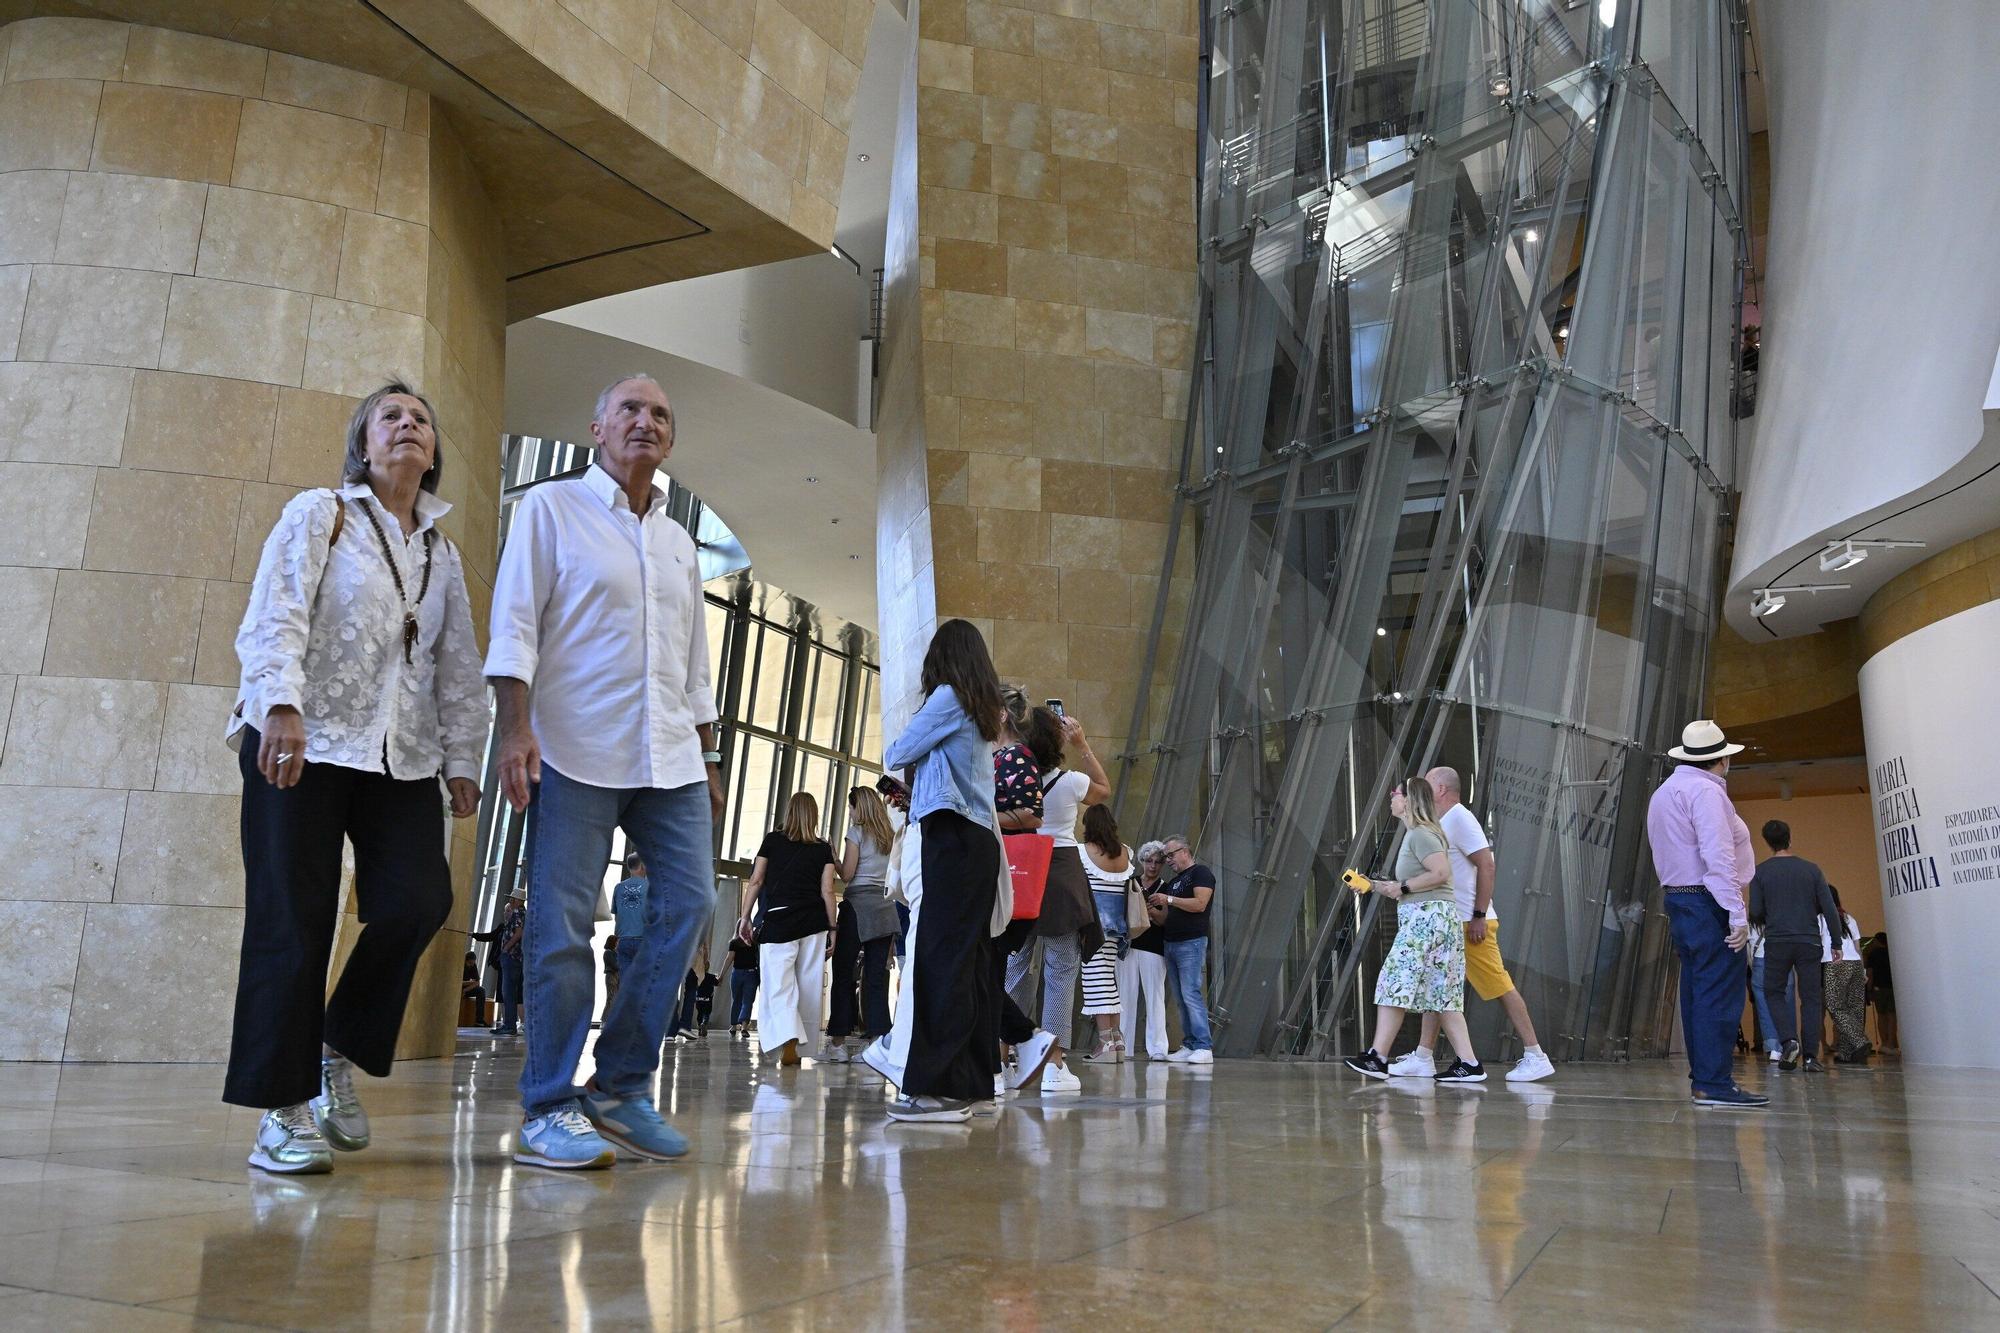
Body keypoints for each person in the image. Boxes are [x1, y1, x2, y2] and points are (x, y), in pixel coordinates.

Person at [222, 381, 484, 1176]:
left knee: (418, 900)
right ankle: (282, 1107)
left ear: (433, 450)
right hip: (301, 736)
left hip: (398, 755)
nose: (408, 428)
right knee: (293, 918)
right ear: (364, 445)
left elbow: (458, 669)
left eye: (421, 420)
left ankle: (337, 1047)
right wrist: (280, 703)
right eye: (390, 418)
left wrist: (464, 759)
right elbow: (278, 609)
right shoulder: (319, 514)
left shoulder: (442, 553)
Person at [486, 373, 725, 1168]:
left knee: (689, 901)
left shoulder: (679, 540)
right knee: (560, 927)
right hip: (574, 747)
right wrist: (515, 727)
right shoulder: (551, 510)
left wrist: (710, 751)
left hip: (671, 754)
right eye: (629, 408)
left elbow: (695, 663)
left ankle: (619, 1085)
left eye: (660, 413)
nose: (645, 421)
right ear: (596, 427)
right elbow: (516, 622)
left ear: (671, 437)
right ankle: (550, 1104)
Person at [874, 618, 1007, 1123]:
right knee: (968, 961)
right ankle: (970, 1083)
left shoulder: (948, 697)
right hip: (975, 842)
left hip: (950, 837)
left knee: (936, 959)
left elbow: (897, 750)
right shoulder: (981, 707)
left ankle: (935, 1089)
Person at [1389, 767, 1553, 1083]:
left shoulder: (1460, 819)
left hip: (1469, 922)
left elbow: (1486, 864)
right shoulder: (1441, 821)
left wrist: (1478, 915)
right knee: (1438, 989)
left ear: (1439, 788)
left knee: (1498, 985)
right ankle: (1424, 1056)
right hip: (1455, 920)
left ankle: (1535, 1055)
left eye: (1427, 780)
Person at [1647, 720, 1766, 1108]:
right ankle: (1713, 1083)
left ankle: (1705, 1080)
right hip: (1708, 900)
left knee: (1697, 992)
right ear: (1724, 759)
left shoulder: (1666, 791)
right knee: (1719, 993)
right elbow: (1718, 856)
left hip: (1680, 900)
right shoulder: (1706, 791)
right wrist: (1735, 912)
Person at [1341, 779, 1486, 1083]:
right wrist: (1371, 885)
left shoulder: (1421, 834)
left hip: (1427, 920)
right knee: (1441, 993)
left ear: (1408, 800)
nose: (1390, 799)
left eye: (1394, 795)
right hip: (1434, 918)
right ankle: (1469, 1064)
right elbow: (1410, 886)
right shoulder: (1421, 834)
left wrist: (1403, 886)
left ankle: (1377, 1058)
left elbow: (1441, 873)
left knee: (1394, 980)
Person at [1005, 708, 1111, 1093]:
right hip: (1062, 871)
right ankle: (1053, 1063)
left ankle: (1003, 1062)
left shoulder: (1012, 779)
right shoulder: (1071, 782)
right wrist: (1083, 745)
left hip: (1021, 870)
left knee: (1015, 966)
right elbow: (1104, 790)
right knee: (1061, 970)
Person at [987, 688, 1059, 1095]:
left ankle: (1024, 1039)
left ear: (999, 716)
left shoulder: (1015, 756)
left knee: (984, 970)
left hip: (1005, 881)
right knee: (985, 972)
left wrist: (980, 815)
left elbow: (1031, 814)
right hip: (997, 878)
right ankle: (1001, 1060)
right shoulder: (999, 757)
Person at [737, 792, 838, 1067]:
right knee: (808, 986)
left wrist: (745, 917)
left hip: (778, 922)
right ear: (814, 816)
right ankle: (799, 1045)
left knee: (778, 986)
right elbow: (827, 890)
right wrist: (833, 928)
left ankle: (787, 1038)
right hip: (814, 924)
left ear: (789, 812)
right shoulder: (823, 848)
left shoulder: (772, 840)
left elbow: (756, 880)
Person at [1747, 818, 1840, 1073]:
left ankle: (1788, 1041)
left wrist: (1772, 914)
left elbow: (1755, 910)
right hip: (1809, 941)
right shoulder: (1812, 870)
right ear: (1790, 838)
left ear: (1767, 842)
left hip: (1778, 941)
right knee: (1810, 998)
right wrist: (1836, 941)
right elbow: (1829, 909)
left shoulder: (1761, 872)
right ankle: (1811, 1057)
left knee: (1773, 992)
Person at [821, 786, 900, 1061]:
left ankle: (838, 1043)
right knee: (876, 977)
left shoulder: (856, 832)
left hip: (858, 907)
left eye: (851, 807)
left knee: (843, 972)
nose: (850, 812)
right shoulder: (889, 836)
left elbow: (848, 874)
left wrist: (834, 856)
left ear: (859, 808)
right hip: (885, 908)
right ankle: (877, 1042)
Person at [1077, 804, 1135, 1063]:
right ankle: (1117, 1040)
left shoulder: (1081, 852)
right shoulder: (1126, 853)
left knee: (1095, 981)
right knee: (1108, 979)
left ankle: (1105, 1043)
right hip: (1118, 927)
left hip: (1094, 926)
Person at [1153, 835, 1217, 1065]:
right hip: (1171, 943)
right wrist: (1146, 907)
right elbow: (1164, 918)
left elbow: (1200, 904)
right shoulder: (1174, 882)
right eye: (1165, 857)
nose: (1168, 860)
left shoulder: (1201, 873)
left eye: (1170, 855)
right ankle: (1190, 1044)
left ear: (1185, 851)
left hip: (1191, 942)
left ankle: (1203, 1046)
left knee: (1191, 994)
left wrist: (1168, 899)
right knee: (1180, 997)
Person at [1118, 842, 1172, 1060]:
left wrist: (1146, 909)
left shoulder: (1165, 888)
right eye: (1149, 861)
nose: (1153, 866)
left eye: (1158, 862)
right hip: (1129, 945)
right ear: (1141, 861)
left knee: (1155, 996)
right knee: (1124, 998)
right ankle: (1124, 1047)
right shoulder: (1130, 883)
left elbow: (1163, 920)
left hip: (1154, 948)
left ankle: (1158, 1048)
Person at [1820, 887, 1872, 1064]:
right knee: (1854, 1008)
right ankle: (1846, 1052)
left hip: (1835, 963)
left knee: (1835, 1006)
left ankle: (1860, 1040)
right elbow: (1858, 948)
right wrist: (1863, 971)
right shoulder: (1849, 918)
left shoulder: (1820, 919)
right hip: (1856, 963)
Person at [1864, 928, 1896, 1054]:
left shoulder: (1873, 954)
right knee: (1892, 1016)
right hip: (1891, 987)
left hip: (1878, 988)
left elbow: (1870, 973)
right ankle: (1892, 1043)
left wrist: (1869, 989)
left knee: (1882, 1016)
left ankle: (1884, 1043)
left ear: (1877, 941)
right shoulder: (1891, 952)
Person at [726, 932, 759, 1037]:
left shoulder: (734, 943)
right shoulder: (754, 942)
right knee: (748, 1001)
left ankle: (734, 1026)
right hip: (751, 973)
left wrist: (721, 975)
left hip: (737, 973)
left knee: (736, 999)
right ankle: (744, 1027)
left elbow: (729, 959)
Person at [601, 933, 622, 1008]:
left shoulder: (615, 953)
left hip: (616, 975)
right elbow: (615, 965)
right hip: (611, 975)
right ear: (613, 943)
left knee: (616, 998)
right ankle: (606, 1018)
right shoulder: (608, 953)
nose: (618, 944)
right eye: (617, 942)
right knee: (611, 997)